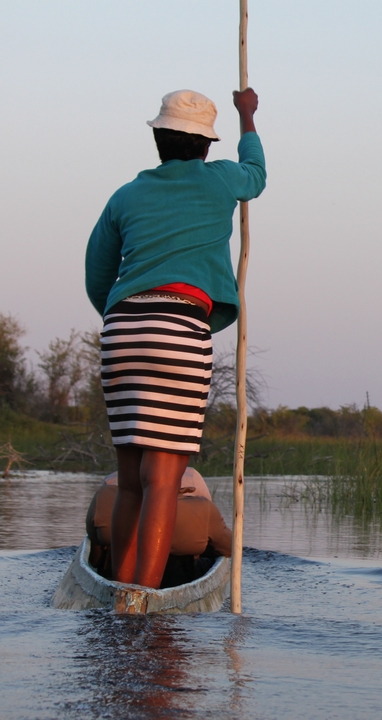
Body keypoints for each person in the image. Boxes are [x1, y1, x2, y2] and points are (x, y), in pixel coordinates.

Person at [84, 88, 265, 588]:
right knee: (163, 480)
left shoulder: (126, 194)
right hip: (180, 327)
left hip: (122, 328)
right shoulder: (220, 178)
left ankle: (120, 591)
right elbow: (257, 175)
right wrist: (247, 116)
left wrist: (126, 319)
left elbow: (97, 273)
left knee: (129, 483)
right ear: (206, 147)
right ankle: (141, 598)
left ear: (159, 141)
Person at [85, 468, 233, 586]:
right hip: (179, 572)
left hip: (117, 568)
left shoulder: (106, 495)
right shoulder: (202, 508)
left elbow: (94, 557)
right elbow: (230, 548)